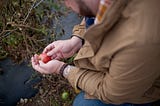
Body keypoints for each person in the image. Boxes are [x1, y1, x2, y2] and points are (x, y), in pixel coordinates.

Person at [31, 0, 160, 106]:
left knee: (82, 104)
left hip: (144, 89)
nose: (66, 4)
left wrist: (62, 69)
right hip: (132, 70)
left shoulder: (140, 41)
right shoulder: (102, 3)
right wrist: (77, 40)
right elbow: (96, 15)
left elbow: (110, 93)